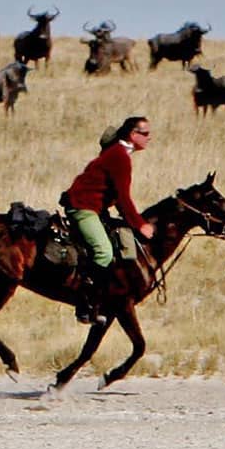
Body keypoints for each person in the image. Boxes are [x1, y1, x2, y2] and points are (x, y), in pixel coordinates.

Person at [63, 115, 154, 323]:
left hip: (94, 209)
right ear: (133, 135)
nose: (149, 138)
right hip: (83, 208)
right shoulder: (120, 156)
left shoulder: (119, 154)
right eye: (146, 134)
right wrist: (140, 224)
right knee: (103, 252)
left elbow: (119, 199)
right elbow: (123, 198)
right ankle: (86, 306)